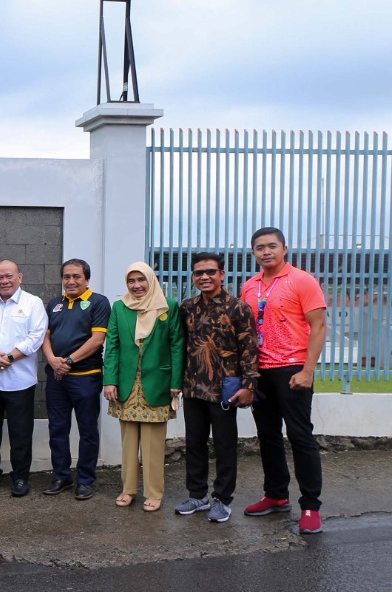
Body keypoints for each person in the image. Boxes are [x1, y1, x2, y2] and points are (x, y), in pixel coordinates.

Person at [240, 227, 328, 534]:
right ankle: (276, 495)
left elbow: (318, 327)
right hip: (260, 371)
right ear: (253, 252)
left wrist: (307, 370)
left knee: (300, 437)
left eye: (272, 246)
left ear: (284, 248)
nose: (266, 252)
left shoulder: (302, 280)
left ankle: (310, 506)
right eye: (260, 247)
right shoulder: (249, 286)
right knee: (268, 435)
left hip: (293, 369)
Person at [176, 253, 259, 523]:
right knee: (194, 443)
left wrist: (249, 386)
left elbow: (249, 349)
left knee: (224, 445)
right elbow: (181, 347)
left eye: (210, 272)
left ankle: (222, 499)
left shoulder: (238, 307)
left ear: (222, 275)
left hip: (225, 389)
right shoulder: (187, 307)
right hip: (193, 387)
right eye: (199, 272)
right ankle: (198, 495)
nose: (205, 277)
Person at [103, 263, 184, 512]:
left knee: (153, 443)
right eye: (131, 281)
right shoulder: (120, 307)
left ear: (151, 280)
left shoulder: (168, 307)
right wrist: (110, 380)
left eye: (141, 280)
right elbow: (112, 345)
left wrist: (175, 382)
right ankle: (128, 489)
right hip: (127, 385)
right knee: (128, 442)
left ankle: (154, 492)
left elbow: (177, 345)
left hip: (157, 383)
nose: (137, 285)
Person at [0, 261, 49, 497]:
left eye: (9, 276)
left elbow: (36, 337)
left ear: (20, 277)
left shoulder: (32, 303)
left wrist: (9, 357)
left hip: (19, 382)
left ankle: (21, 478)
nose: (4, 281)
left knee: (20, 432)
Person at [40, 259, 111, 499]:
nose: (70, 281)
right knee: (57, 428)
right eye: (67, 276)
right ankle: (61, 476)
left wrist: (68, 361)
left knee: (87, 429)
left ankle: (85, 479)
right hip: (56, 378)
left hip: (86, 377)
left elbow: (97, 340)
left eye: (76, 276)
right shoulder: (54, 304)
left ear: (87, 279)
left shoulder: (99, 302)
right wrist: (52, 360)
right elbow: (45, 337)